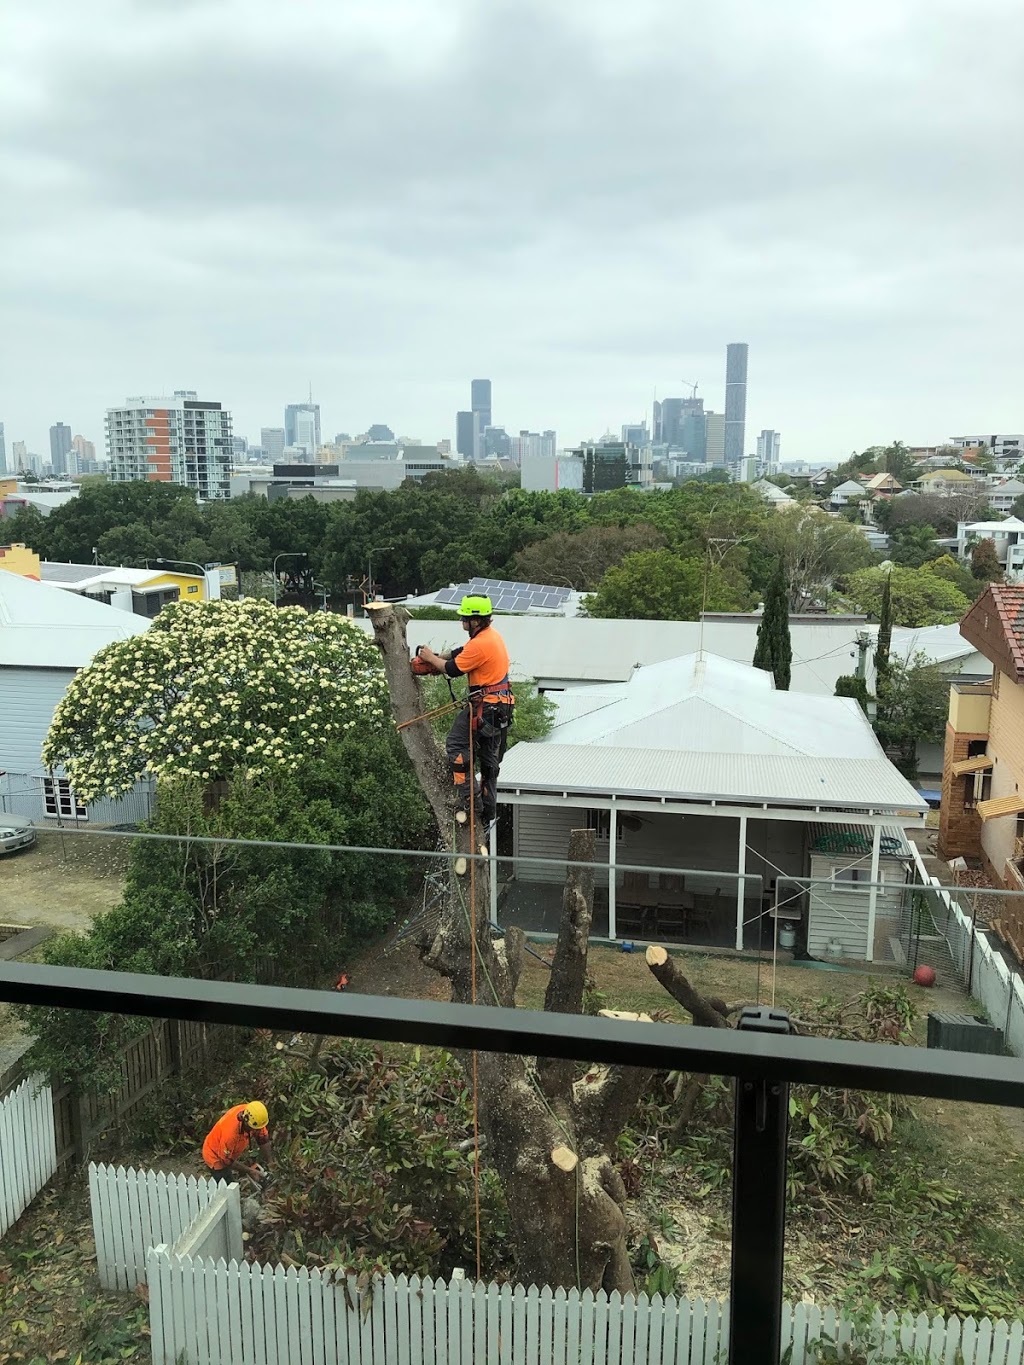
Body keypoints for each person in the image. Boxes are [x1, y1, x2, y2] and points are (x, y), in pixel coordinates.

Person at [416, 595, 514, 826]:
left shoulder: (481, 643)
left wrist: (430, 658)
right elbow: (460, 652)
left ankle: (470, 802)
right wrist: (438, 658)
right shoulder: (490, 636)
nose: (462, 622)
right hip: (500, 708)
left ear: (476, 621)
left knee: (456, 744)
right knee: (489, 763)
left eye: (465, 619)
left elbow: (453, 668)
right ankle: (487, 811)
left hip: (486, 707)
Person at [201, 1101, 272, 1184]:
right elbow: (226, 1161)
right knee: (228, 1186)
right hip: (215, 1155)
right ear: (245, 1121)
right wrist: (249, 1171)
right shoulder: (230, 1134)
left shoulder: (255, 1115)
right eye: (254, 1129)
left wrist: (270, 1163)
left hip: (229, 1149)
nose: (257, 1131)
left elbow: (263, 1139)